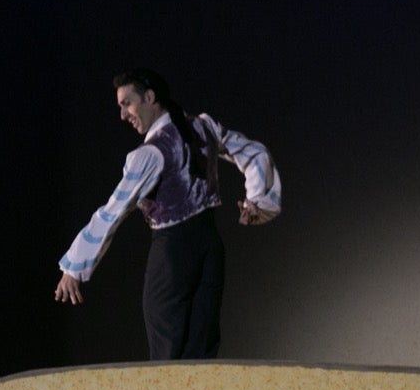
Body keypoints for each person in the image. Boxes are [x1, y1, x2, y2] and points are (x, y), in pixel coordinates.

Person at [55, 68, 282, 359]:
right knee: (201, 350)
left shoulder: (150, 154)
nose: (123, 115)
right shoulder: (203, 127)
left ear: (150, 97)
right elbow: (254, 153)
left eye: (127, 103)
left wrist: (74, 267)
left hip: (173, 256)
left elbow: (113, 211)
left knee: (167, 353)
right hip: (210, 248)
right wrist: (258, 200)